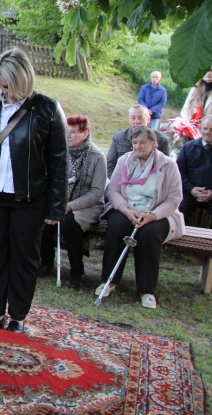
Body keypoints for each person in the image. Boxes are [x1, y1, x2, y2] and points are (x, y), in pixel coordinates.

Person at [0, 48, 68, 333]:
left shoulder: (48, 109)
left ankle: (18, 316)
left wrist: (56, 206)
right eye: (2, 86)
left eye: (10, 87)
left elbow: (59, 160)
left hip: (31, 199)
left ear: (25, 81)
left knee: (25, 258)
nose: (6, 93)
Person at [97, 126, 184, 309]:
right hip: (127, 209)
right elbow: (113, 191)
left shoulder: (168, 165)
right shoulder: (124, 161)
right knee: (117, 226)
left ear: (154, 143)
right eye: (135, 143)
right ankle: (109, 281)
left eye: (142, 142)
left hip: (157, 213)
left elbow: (174, 199)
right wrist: (127, 211)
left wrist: (152, 215)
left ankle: (146, 290)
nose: (137, 146)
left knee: (149, 234)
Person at [39, 115, 106, 288]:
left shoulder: (97, 156)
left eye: (73, 132)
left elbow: (97, 191)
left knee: (69, 224)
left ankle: (77, 271)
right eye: (66, 132)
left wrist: (70, 206)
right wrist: (56, 202)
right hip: (60, 199)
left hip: (86, 205)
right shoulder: (60, 150)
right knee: (44, 219)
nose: (68, 136)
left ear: (85, 133)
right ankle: (45, 262)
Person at [106, 104, 170, 179]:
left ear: (148, 120)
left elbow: (165, 167)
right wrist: (118, 182)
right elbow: (109, 164)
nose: (136, 121)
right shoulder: (118, 138)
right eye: (133, 118)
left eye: (140, 118)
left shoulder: (161, 140)